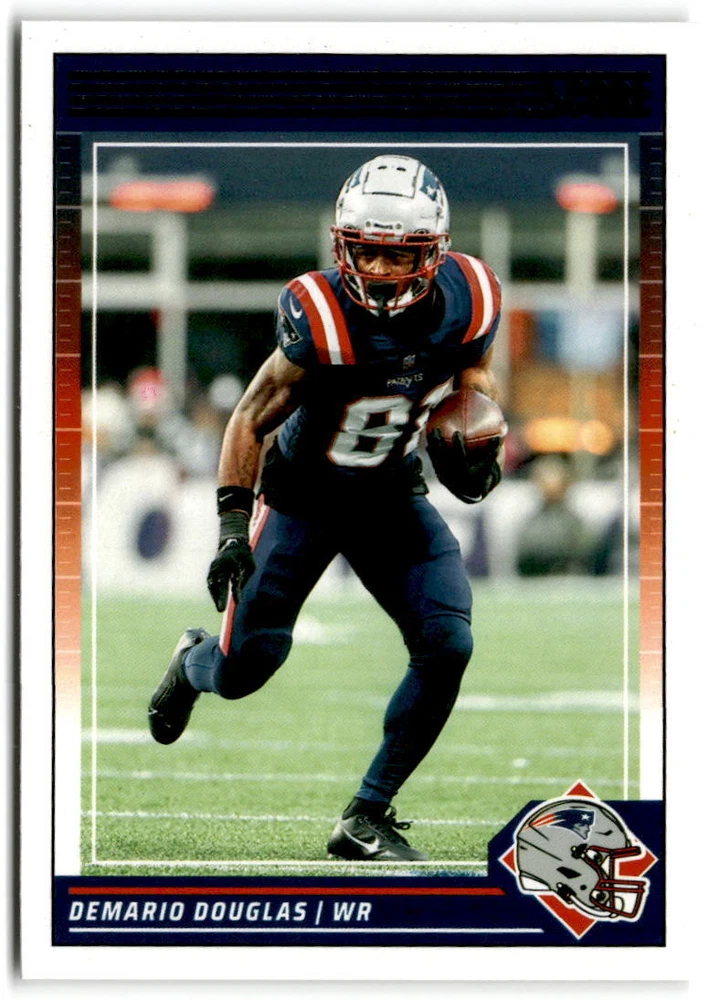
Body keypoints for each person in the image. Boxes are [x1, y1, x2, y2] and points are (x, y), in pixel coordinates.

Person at [148, 154, 504, 861]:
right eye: (364, 250)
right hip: (301, 499)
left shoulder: (472, 296)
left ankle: (366, 814)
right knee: (245, 668)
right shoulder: (318, 312)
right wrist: (231, 527)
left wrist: (477, 434)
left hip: (390, 493)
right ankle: (192, 663)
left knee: (448, 643)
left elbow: (474, 376)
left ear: (433, 251)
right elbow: (251, 415)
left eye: (396, 253)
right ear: (342, 244)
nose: (377, 268)